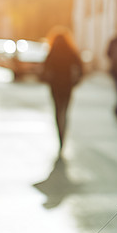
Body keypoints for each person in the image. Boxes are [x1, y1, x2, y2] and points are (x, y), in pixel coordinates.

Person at [42, 26, 83, 156]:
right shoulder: (71, 52)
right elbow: (81, 68)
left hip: (55, 87)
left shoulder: (52, 51)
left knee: (57, 110)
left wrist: (49, 80)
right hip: (67, 86)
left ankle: (59, 133)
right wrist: (75, 82)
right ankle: (63, 134)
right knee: (65, 111)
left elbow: (44, 70)